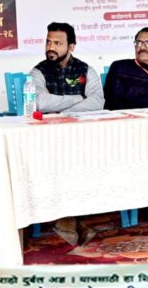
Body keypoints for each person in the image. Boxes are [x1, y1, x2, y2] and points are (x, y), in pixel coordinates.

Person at [30, 22, 104, 246]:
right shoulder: (38, 71)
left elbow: (98, 102)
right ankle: (68, 219)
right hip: (48, 136)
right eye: (48, 42)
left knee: (85, 154)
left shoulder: (86, 70)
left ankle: (68, 218)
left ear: (71, 46)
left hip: (81, 133)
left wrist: (61, 110)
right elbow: (40, 102)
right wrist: (78, 99)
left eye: (57, 43)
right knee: (59, 155)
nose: (50, 47)